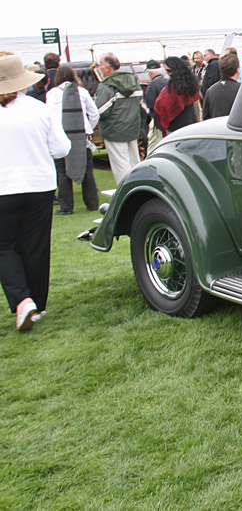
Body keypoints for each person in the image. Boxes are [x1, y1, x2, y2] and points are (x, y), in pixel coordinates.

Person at [0, 52, 71, 331]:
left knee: (4, 247)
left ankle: (22, 301)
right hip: (40, 184)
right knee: (36, 245)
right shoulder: (39, 109)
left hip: (5, 187)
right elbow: (61, 148)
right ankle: (35, 305)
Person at [46, 65, 100, 215]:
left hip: (61, 135)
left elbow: (49, 116)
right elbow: (94, 113)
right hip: (81, 136)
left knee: (62, 172)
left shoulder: (52, 94)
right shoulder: (82, 92)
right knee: (87, 170)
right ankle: (92, 203)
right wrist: (88, 129)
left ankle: (67, 206)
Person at [94, 52, 145, 185]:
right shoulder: (134, 81)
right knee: (135, 162)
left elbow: (100, 111)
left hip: (114, 131)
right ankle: (139, 189)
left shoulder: (106, 85)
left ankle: (126, 192)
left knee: (120, 165)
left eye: (100, 65)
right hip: (133, 129)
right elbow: (143, 109)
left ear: (106, 68)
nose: (99, 68)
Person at [154, 56, 201, 133]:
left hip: (176, 127)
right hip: (191, 123)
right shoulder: (190, 83)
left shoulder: (173, 88)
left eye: (169, 71)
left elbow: (162, 104)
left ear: (176, 71)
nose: (167, 73)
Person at [203, 52, 242, 118]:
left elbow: (206, 116)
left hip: (216, 126)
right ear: (237, 70)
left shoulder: (210, 91)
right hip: (235, 126)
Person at [143, 59, 168, 147]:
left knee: (154, 145)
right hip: (171, 118)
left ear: (150, 73)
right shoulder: (169, 82)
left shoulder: (152, 86)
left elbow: (150, 105)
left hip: (158, 121)